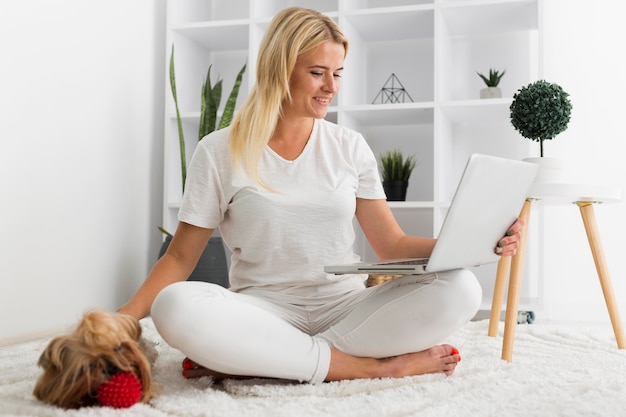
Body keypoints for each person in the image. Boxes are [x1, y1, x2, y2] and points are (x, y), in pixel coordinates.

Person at [117, 6, 524, 384]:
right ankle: (368, 368)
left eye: (338, 72)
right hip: (263, 310)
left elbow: (391, 245)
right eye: (317, 72)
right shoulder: (218, 150)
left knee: (462, 288)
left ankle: (266, 361)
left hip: (346, 310)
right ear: (280, 70)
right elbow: (180, 257)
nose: (331, 86)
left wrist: (475, 242)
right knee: (174, 306)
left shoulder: (350, 147)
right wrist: (123, 319)